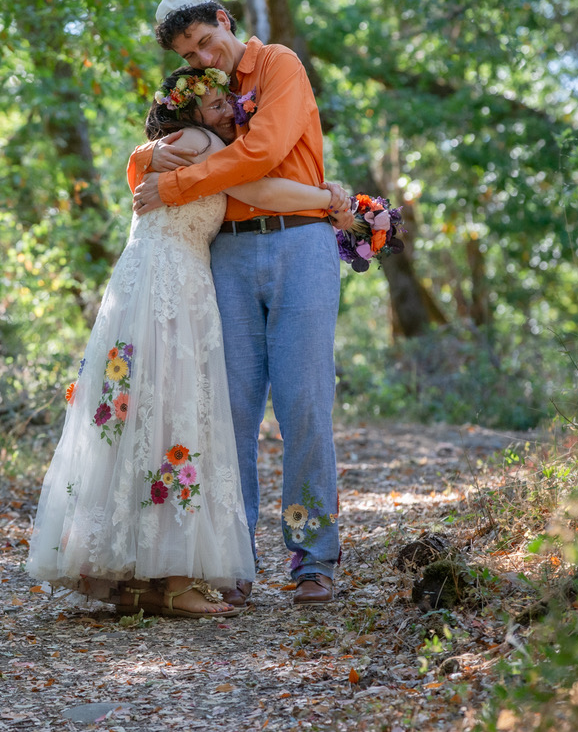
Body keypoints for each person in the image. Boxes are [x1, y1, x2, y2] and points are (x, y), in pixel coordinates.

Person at [26, 66, 344, 617]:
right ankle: (177, 574)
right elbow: (258, 188)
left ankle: (146, 573)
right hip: (171, 289)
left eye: (228, 101)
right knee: (179, 417)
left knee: (149, 422)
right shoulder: (201, 144)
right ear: (191, 111)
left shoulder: (184, 143)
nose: (230, 110)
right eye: (217, 104)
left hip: (154, 285)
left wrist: (146, 156)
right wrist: (331, 197)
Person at [130, 0, 344, 606]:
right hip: (226, 253)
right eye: (189, 55)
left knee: (304, 403)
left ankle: (313, 560)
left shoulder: (278, 64)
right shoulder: (200, 94)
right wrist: (150, 155)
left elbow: (263, 152)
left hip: (300, 242)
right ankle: (232, 561)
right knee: (229, 412)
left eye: (205, 42)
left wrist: (177, 184)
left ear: (224, 21)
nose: (203, 58)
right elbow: (146, 158)